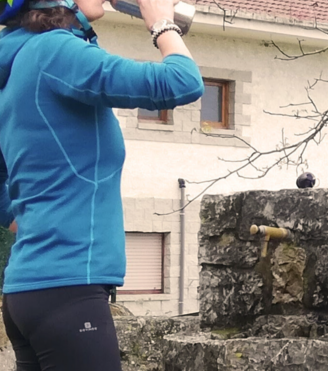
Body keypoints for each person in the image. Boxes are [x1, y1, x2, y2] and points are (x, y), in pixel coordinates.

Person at [0, 0, 204, 368]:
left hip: (26, 291)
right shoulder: (54, 51)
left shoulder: (17, 62)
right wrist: (161, 24)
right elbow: (182, 82)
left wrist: (37, 223)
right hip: (68, 291)